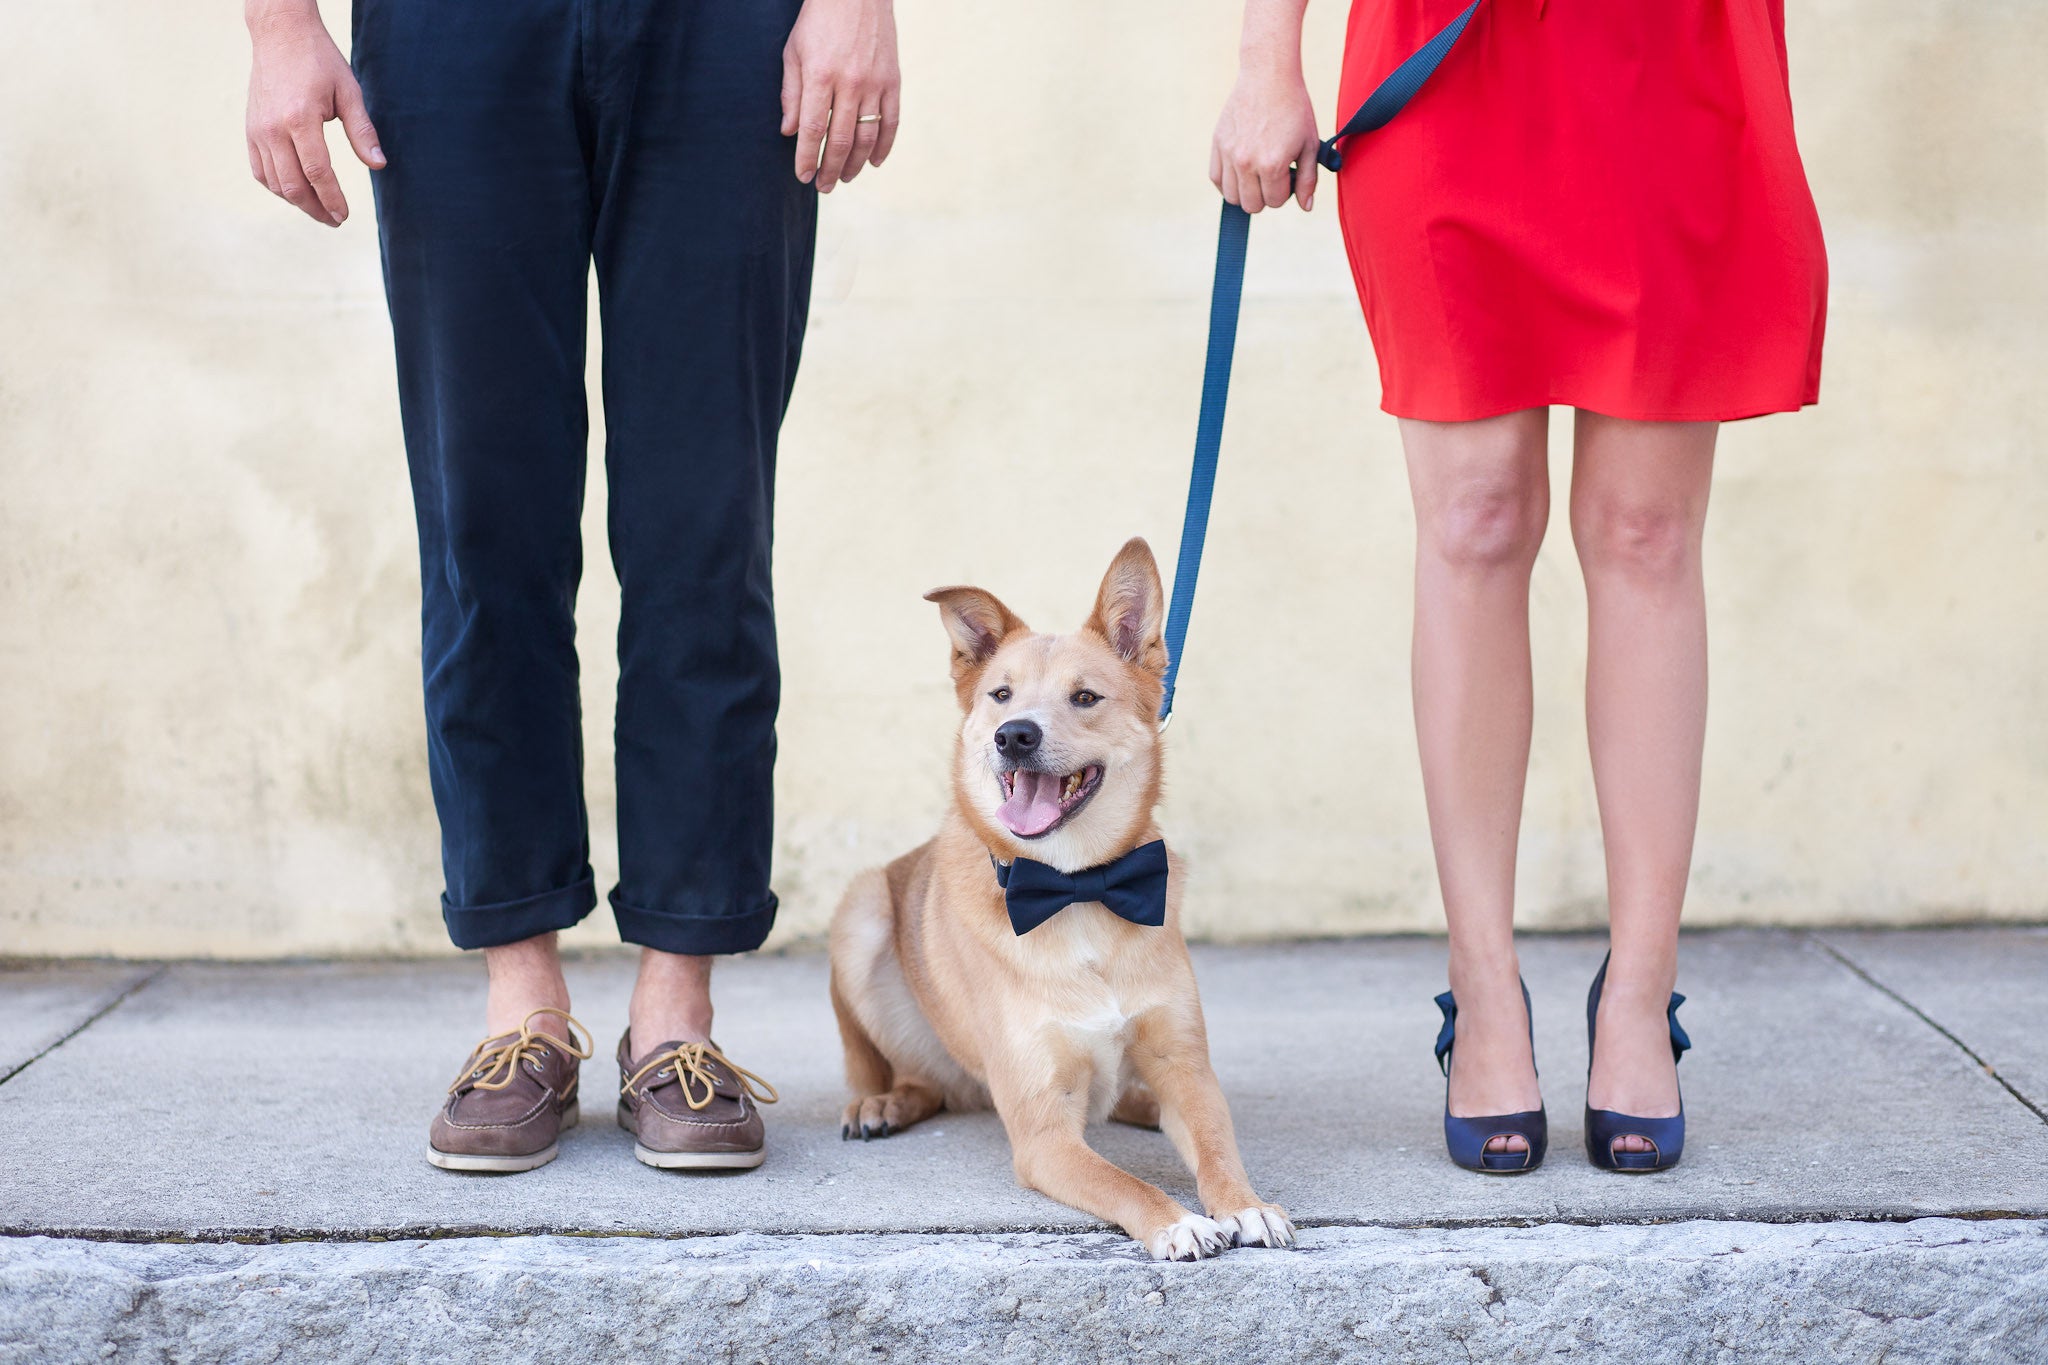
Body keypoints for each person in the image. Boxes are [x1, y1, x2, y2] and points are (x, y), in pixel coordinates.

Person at [243, 0, 901, 1173]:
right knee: (484, 525)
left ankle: (675, 1022)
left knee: (703, 528)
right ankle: (522, 1014)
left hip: (723, 31)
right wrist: (279, 28)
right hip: (457, 30)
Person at [1210, 0, 1825, 1172]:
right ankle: (1480, 987)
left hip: (1670, 56)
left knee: (1644, 531)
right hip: (1448, 55)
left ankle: (1639, 991)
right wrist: (1263, 58)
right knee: (1473, 518)